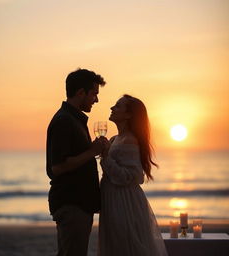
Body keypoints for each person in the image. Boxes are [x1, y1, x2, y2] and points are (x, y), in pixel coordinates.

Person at [46, 68, 106, 256]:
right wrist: (93, 152)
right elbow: (57, 167)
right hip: (72, 204)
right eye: (94, 94)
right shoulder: (64, 121)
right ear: (81, 93)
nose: (96, 99)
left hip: (78, 203)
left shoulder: (74, 119)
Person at [98, 94, 168, 256]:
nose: (112, 108)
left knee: (125, 246)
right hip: (113, 199)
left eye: (117, 106)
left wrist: (106, 157)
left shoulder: (129, 141)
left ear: (129, 115)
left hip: (123, 202)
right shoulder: (116, 139)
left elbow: (132, 176)